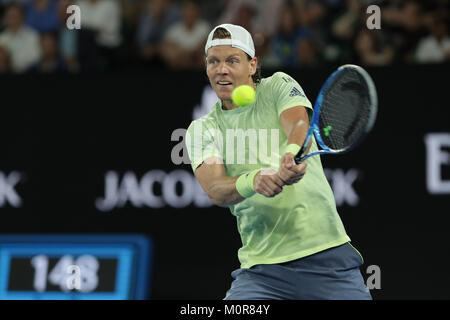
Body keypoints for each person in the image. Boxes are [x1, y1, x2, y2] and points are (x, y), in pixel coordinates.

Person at [186, 23, 371, 300]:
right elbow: (215, 189)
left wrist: (292, 152)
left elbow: (298, 122)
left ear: (252, 65)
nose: (221, 69)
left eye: (232, 60)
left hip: (328, 262)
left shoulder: (278, 86)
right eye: (214, 61)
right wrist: (254, 181)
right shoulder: (203, 129)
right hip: (261, 274)